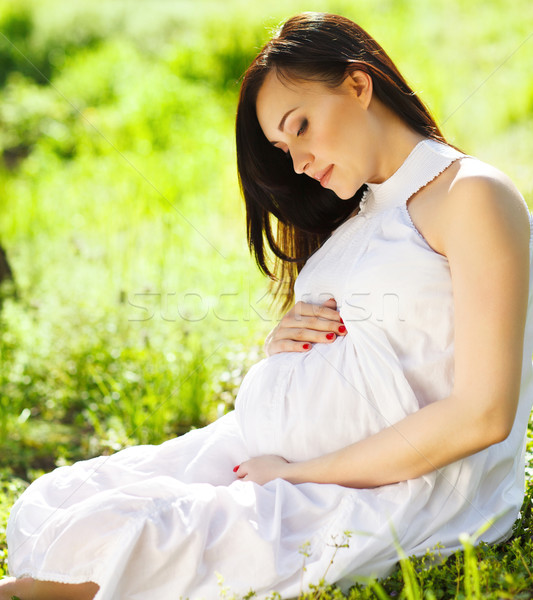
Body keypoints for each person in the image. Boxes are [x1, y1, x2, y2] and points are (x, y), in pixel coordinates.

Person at [2, 11, 532, 600]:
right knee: (67, 501)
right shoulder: (364, 210)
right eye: (284, 148)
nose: (298, 162)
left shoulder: (471, 195)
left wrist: (294, 472)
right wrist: (287, 344)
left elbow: (483, 415)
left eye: (300, 126)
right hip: (273, 450)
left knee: (131, 538)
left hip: (394, 485)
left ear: (359, 85)